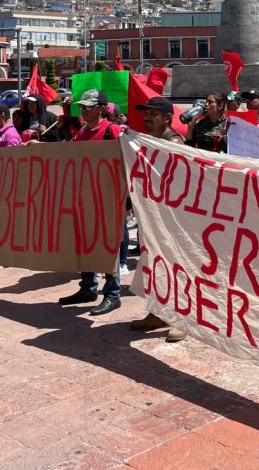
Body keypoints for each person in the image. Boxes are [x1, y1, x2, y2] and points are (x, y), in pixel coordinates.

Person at [59, 90, 125, 315]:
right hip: (85, 198)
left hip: (107, 199)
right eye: (82, 107)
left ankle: (113, 294)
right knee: (85, 243)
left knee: (107, 245)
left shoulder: (111, 131)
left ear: (101, 108)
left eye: (88, 107)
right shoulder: (83, 132)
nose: (84, 111)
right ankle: (88, 288)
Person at [128, 95, 187, 342]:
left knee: (176, 267)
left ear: (166, 118)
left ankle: (182, 320)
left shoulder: (173, 143)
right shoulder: (149, 141)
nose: (148, 117)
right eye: (146, 113)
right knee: (154, 264)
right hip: (152, 214)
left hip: (171, 218)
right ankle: (157, 312)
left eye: (153, 114)